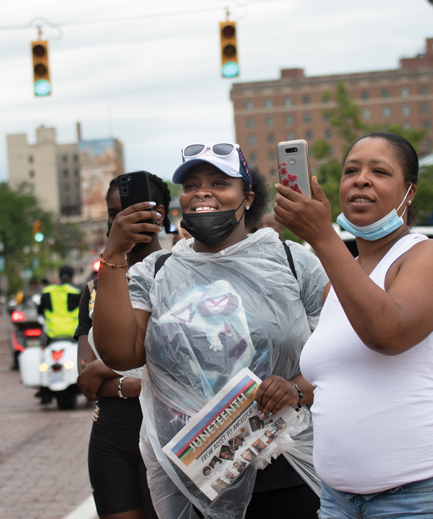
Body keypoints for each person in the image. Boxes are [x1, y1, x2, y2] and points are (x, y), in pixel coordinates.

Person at [93, 143, 328, 519]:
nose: (202, 192)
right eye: (191, 185)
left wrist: (297, 388)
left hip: (289, 469)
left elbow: (342, 353)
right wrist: (114, 253)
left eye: (219, 182)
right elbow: (120, 353)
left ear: (247, 197)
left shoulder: (294, 262)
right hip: (196, 477)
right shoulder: (154, 272)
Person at [274, 132, 433, 518]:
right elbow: (341, 373)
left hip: (424, 495)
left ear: (409, 192)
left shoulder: (428, 255)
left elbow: (387, 333)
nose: (361, 180)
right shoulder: (340, 282)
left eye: (380, 172)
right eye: (351, 171)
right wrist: (293, 390)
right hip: (339, 500)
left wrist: (322, 237)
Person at [76, 171, 173, 519]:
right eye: (113, 214)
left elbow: (179, 366)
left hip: (167, 437)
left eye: (130, 211)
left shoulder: (179, 274)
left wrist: (112, 373)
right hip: (111, 440)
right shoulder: (95, 289)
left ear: (158, 214)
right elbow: (86, 379)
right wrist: (132, 379)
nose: (120, 221)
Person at [39, 266, 81, 341]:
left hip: (52, 334)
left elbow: (40, 312)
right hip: (73, 334)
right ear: (72, 277)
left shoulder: (47, 292)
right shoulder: (77, 292)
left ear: (59, 277)